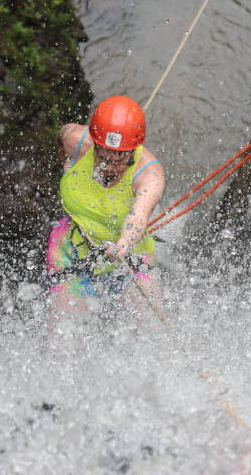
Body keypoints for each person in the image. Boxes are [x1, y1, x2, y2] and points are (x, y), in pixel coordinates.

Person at [46, 95, 166, 331]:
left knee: (153, 326)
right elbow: (61, 138)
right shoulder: (75, 141)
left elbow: (138, 217)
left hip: (129, 254)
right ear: (95, 141)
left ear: (133, 149)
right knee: (61, 329)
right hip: (73, 245)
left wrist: (122, 244)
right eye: (104, 153)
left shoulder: (149, 175)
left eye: (120, 156)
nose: (110, 163)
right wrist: (67, 165)